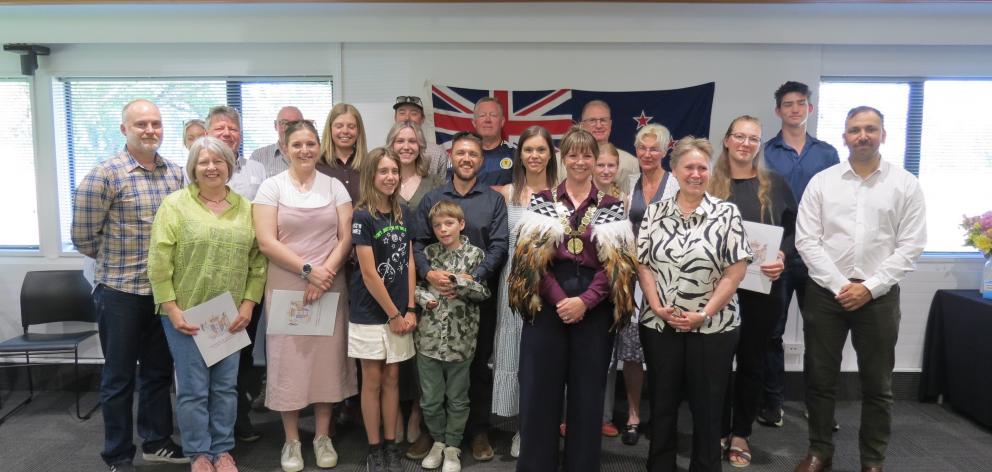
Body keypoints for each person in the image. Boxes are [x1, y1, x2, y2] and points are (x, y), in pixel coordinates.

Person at [792, 106, 926, 472]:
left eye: (870, 129)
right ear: (845, 137)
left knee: (878, 385)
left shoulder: (905, 185)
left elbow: (911, 245)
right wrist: (840, 285)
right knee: (820, 379)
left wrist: (869, 287)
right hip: (826, 294)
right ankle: (820, 451)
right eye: (855, 130)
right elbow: (807, 241)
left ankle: (873, 460)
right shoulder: (823, 182)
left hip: (879, 298)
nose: (862, 136)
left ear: (884, 134)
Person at [509, 127, 637, 472]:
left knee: (587, 397)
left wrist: (585, 302)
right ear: (562, 159)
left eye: (587, 155)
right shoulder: (543, 200)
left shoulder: (612, 205)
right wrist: (560, 299)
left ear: (596, 160)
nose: (580, 162)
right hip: (547, 305)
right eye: (573, 155)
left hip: (594, 311)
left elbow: (619, 267)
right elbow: (530, 260)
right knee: (539, 394)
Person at [71, 99, 188, 471]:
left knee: (157, 373)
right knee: (119, 377)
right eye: (141, 124)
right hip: (120, 291)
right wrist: (116, 262)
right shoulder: (104, 175)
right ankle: (118, 453)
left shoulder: (175, 173)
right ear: (124, 129)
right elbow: (83, 238)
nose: (150, 130)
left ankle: (157, 441)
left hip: (162, 294)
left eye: (156, 123)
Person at [147, 136, 267, 472]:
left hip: (228, 315)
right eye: (203, 162)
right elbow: (159, 263)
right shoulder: (175, 205)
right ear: (193, 168)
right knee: (193, 389)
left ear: (230, 165)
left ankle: (223, 450)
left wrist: (248, 305)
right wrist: (171, 310)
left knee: (226, 388)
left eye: (218, 161)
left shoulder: (246, 208)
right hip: (186, 314)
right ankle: (199, 453)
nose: (211, 167)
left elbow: (258, 263)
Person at [637, 137, 752, 472]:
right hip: (660, 324)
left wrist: (704, 313)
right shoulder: (655, 212)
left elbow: (735, 271)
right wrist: (657, 306)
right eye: (689, 167)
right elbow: (642, 263)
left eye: (703, 167)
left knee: (708, 407)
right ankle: (660, 466)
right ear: (675, 170)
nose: (697, 174)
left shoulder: (726, 212)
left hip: (713, 327)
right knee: (662, 404)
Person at [253, 120, 358, 472]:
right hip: (288, 286)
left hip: (329, 284)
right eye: (297, 144)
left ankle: (322, 437)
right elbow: (267, 241)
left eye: (311, 143)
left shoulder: (334, 187)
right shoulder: (272, 187)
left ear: (319, 146)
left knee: (326, 361)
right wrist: (309, 271)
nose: (305, 150)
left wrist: (324, 273)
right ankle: (292, 440)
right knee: (289, 362)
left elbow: (345, 238)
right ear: (284, 148)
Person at [414, 131, 508, 461]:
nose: (466, 158)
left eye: (473, 154)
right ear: (451, 157)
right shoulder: (434, 197)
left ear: (482, 161)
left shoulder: (493, 199)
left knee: (478, 364)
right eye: (461, 153)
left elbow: (499, 245)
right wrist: (429, 273)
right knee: (433, 371)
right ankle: (433, 434)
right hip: (437, 299)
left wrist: (473, 276)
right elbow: (418, 243)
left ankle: (477, 431)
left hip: (476, 298)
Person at [708, 116, 796, 468]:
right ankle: (715, 429)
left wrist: (782, 255)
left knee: (751, 361)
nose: (746, 143)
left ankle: (741, 432)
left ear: (759, 144)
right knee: (713, 363)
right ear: (727, 140)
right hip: (714, 290)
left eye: (753, 138)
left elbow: (792, 230)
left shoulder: (775, 184)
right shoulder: (708, 183)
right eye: (739, 136)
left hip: (761, 290)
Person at [759, 81, 840, 428]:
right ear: (778, 111)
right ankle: (772, 403)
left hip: (818, 255)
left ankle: (817, 405)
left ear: (811, 108)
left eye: (801, 103)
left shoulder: (827, 154)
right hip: (778, 254)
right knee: (770, 333)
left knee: (820, 333)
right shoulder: (765, 152)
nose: (794, 109)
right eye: (788, 104)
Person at [349, 147, 418, 472]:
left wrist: (410, 307)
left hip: (400, 312)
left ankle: (391, 445)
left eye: (394, 172)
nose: (390, 177)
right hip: (371, 312)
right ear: (371, 176)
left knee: (393, 378)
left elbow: (409, 261)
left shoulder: (403, 212)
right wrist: (392, 314)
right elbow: (368, 272)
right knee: (372, 380)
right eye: (383, 172)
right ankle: (374, 447)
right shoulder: (362, 215)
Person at [492, 125, 558, 458]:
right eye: (528, 150)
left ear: (550, 155)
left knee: (543, 361)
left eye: (541, 150)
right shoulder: (507, 193)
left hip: (550, 288)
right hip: (513, 288)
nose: (534, 156)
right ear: (520, 155)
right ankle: (521, 429)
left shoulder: (561, 194)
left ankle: (538, 429)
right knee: (517, 354)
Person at [205, 105, 268, 442]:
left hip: (247, 277)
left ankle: (238, 420)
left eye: (233, 128)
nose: (227, 133)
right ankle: (211, 430)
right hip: (208, 281)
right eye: (220, 128)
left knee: (242, 353)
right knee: (211, 353)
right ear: (206, 133)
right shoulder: (199, 167)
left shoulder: (256, 169)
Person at [414, 201, 492, 472]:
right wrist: (426, 300)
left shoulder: (476, 255)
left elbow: (484, 294)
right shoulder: (427, 255)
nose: (443, 229)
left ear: (461, 224)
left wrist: (462, 285)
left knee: (458, 397)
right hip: (429, 339)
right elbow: (414, 289)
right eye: (437, 225)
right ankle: (437, 441)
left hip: (462, 341)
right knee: (431, 398)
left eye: (449, 224)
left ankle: (453, 446)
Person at [617, 123, 680, 447]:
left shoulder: (678, 184)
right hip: (632, 276)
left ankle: (663, 414)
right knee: (631, 350)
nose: (647, 153)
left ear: (667, 150)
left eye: (654, 148)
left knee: (663, 351)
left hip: (668, 278)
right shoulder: (630, 182)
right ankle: (632, 414)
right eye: (642, 147)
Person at [384, 119, 443, 459]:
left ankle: (419, 413)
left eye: (412, 140)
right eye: (400, 140)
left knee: (423, 352)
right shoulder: (383, 179)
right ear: (391, 143)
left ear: (421, 146)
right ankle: (402, 412)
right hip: (388, 277)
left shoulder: (435, 183)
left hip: (424, 276)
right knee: (395, 351)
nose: (406, 145)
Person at [579, 100, 639, 193]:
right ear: (582, 125)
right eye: (592, 120)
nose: (598, 125)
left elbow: (633, 204)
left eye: (603, 120)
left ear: (610, 124)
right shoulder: (560, 161)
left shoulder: (631, 163)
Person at [317, 102, 368, 202]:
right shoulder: (317, 166)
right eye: (339, 126)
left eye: (351, 126)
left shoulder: (369, 164)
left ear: (358, 131)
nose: (345, 131)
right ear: (330, 129)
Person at [393, 95, 449, 177]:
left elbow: (444, 187)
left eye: (414, 113)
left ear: (422, 119)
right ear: (395, 118)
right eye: (402, 113)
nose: (407, 118)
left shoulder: (438, 154)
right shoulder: (384, 154)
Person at [250, 106, 304, 178]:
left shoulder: (312, 156)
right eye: (284, 123)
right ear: (275, 125)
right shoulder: (258, 157)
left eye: (295, 124)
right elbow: (252, 188)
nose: (289, 128)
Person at [472, 97, 515, 186]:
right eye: (482, 115)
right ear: (474, 123)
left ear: (502, 121)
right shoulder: (462, 156)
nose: (487, 120)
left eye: (493, 115)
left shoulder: (516, 154)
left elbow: (525, 191)